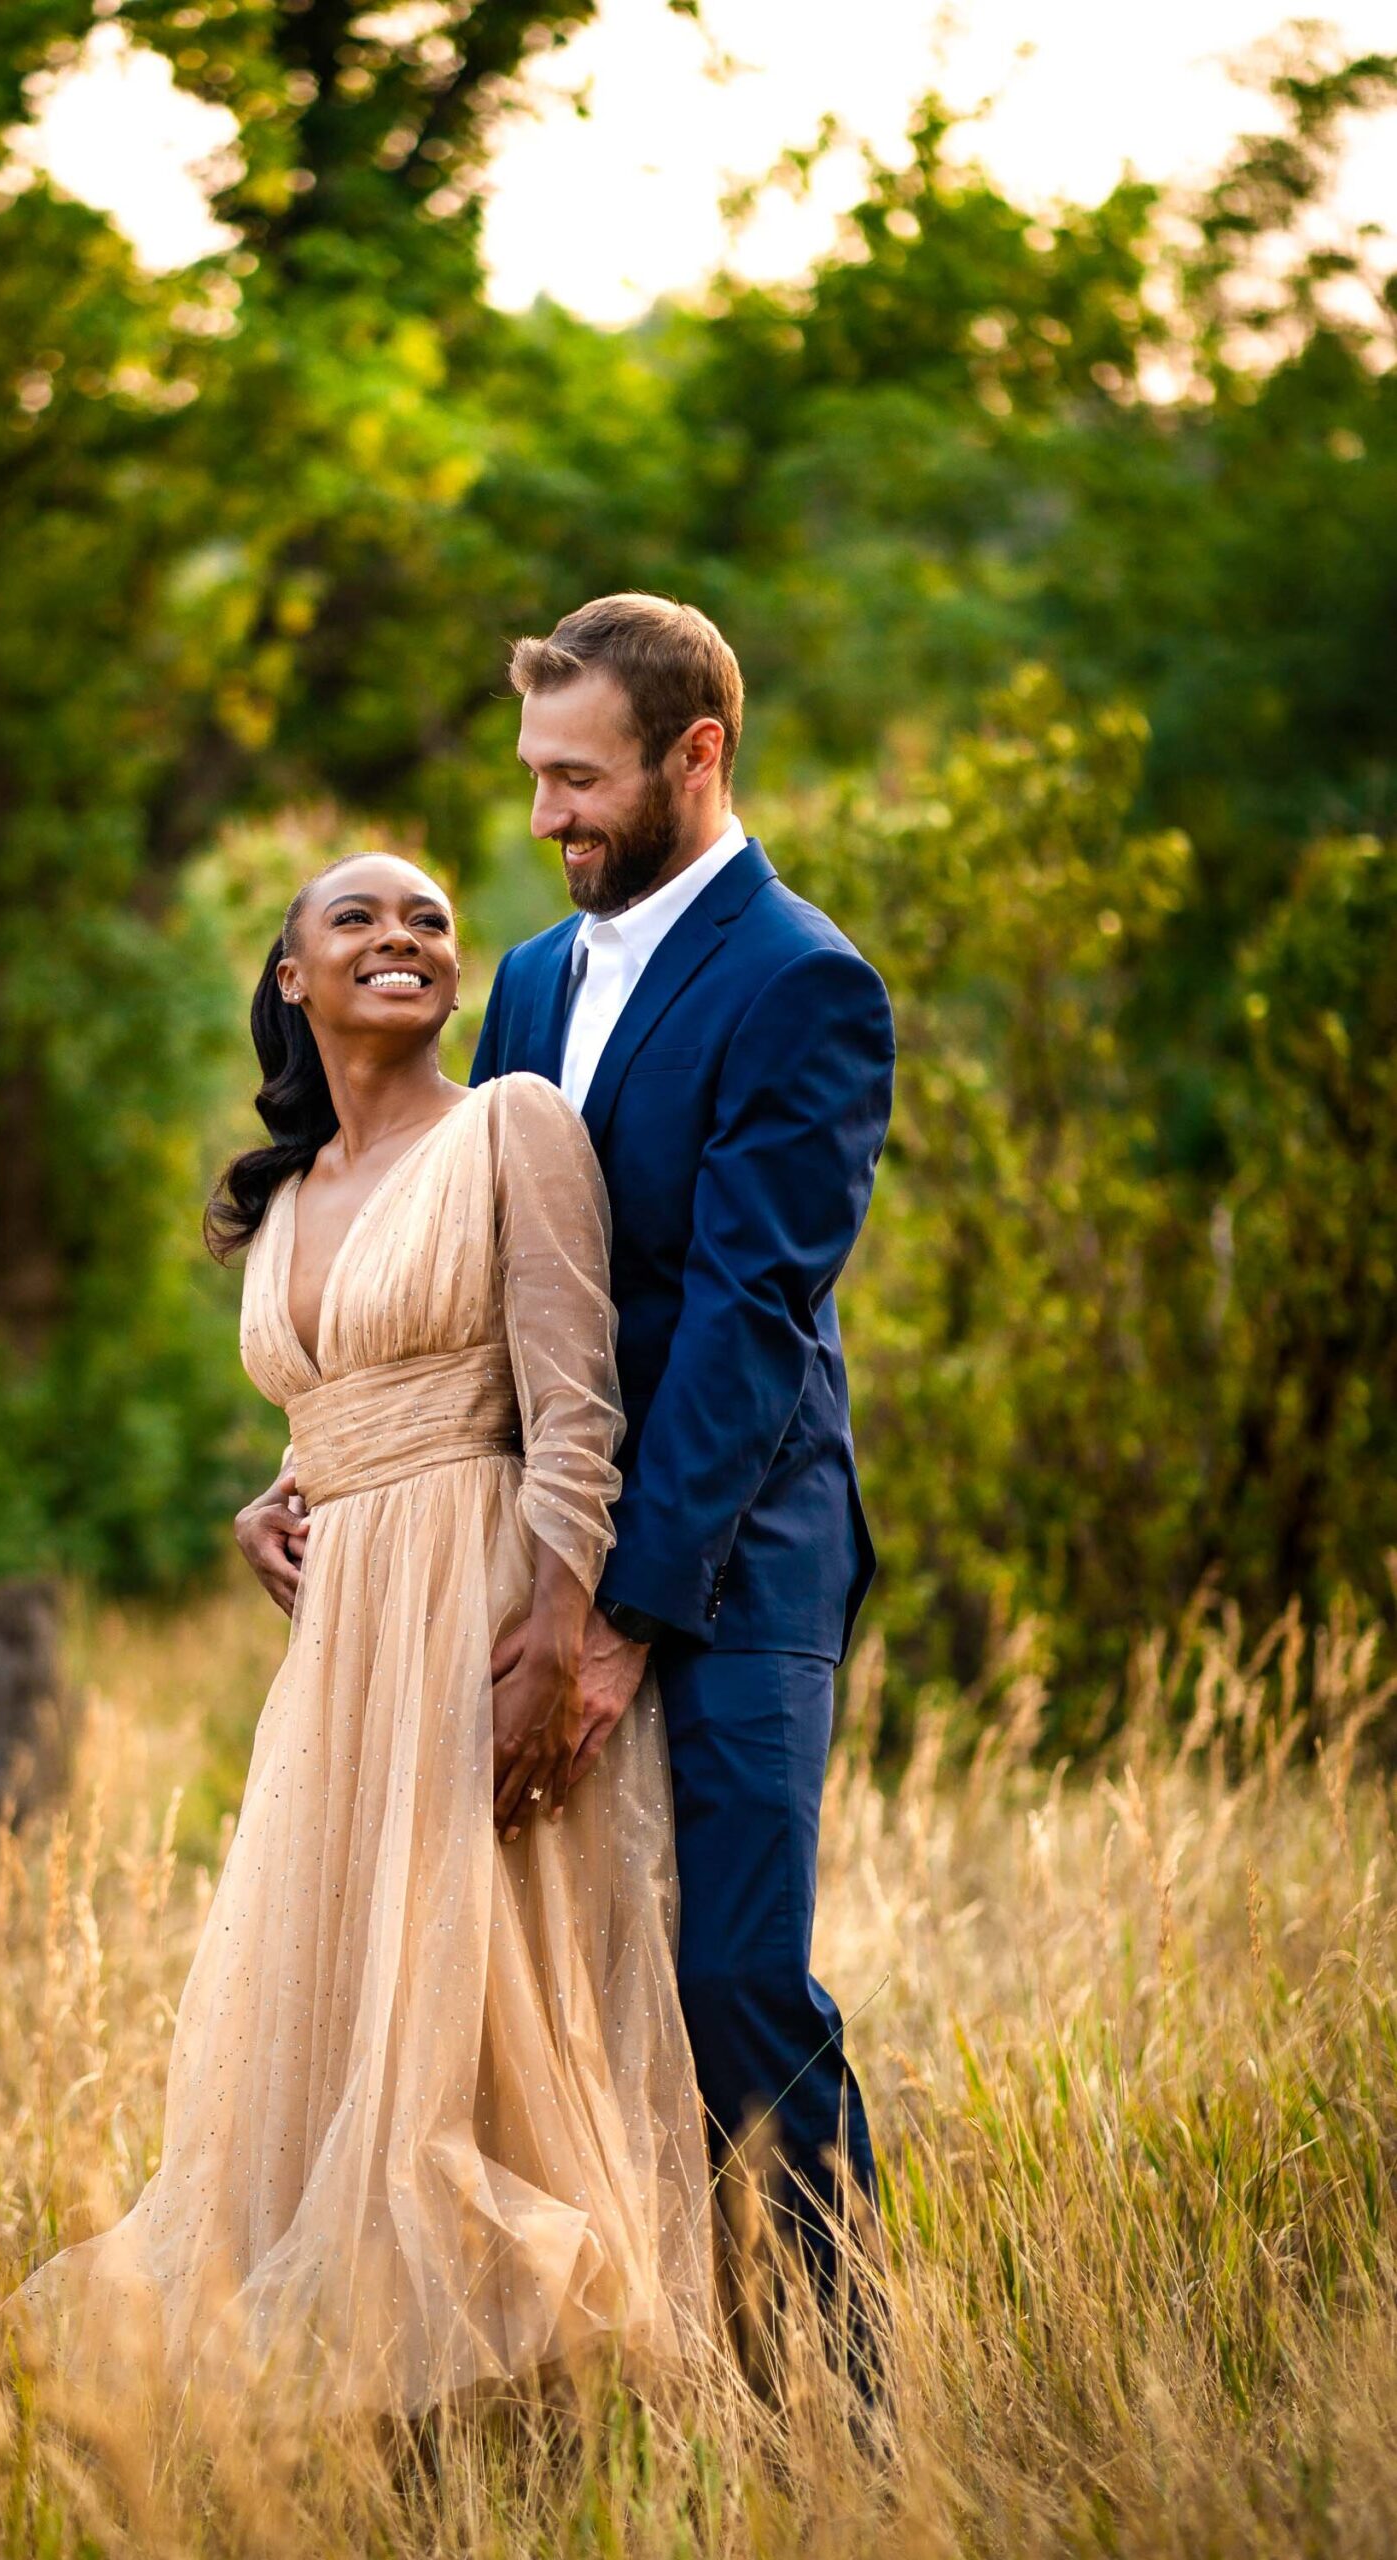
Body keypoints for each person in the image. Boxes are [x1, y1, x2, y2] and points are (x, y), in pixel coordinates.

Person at [0, 852, 715, 2421]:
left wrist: (556, 1636)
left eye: (431, 922)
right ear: (292, 980)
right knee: (343, 1997)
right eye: (357, 919)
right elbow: (342, 1403)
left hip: (480, 1603)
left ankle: (566, 2395)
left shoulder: (510, 1125)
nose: (402, 938)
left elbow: (574, 1406)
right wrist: (274, 1496)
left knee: (487, 1988)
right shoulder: (284, 1202)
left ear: (454, 980)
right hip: (340, 1652)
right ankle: (383, 2406)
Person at [467, 593, 894, 2390]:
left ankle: (844, 2420)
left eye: (581, 778)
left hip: (737, 1560)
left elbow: (745, 1320)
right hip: (530, 1541)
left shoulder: (806, 981)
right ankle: (580, 2396)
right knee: (528, 1992)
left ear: (695, 755)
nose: (550, 815)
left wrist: (626, 1614)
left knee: (731, 1980)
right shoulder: (530, 977)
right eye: (534, 779)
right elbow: (467, 1260)